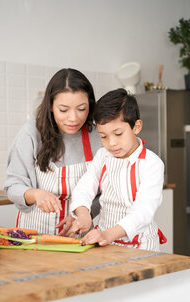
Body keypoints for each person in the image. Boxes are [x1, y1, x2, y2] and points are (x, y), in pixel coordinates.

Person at [4, 68, 102, 235]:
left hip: (80, 235)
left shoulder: (97, 136)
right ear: (50, 105)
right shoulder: (31, 133)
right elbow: (13, 186)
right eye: (63, 110)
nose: (73, 118)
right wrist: (35, 194)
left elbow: (105, 191)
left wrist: (83, 213)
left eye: (81, 109)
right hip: (33, 234)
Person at [69, 88, 167, 251]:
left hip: (141, 245)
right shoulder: (102, 156)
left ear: (136, 127)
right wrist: (83, 214)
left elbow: (143, 211)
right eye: (104, 136)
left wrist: (109, 234)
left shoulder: (151, 164)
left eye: (118, 133)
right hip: (105, 243)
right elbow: (84, 188)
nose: (111, 143)